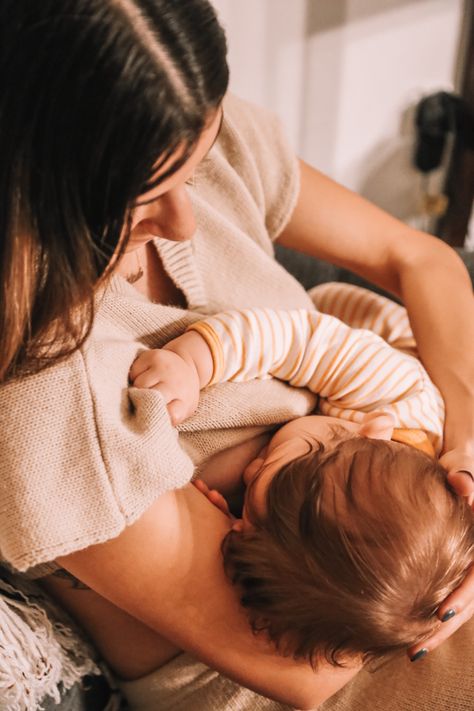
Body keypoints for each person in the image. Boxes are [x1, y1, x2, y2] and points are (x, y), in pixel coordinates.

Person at [0, 1, 473, 709]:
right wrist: (429, 562)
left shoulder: (182, 128)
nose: (185, 223)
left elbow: (420, 257)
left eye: (190, 172)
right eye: (143, 197)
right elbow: (307, 672)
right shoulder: (43, 393)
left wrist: (465, 446)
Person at [127, 281, 473, 669]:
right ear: (365, 430)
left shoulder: (336, 523)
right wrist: (193, 362)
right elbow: (292, 340)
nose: (251, 468)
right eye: (268, 463)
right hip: (357, 314)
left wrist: (235, 526)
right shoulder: (392, 390)